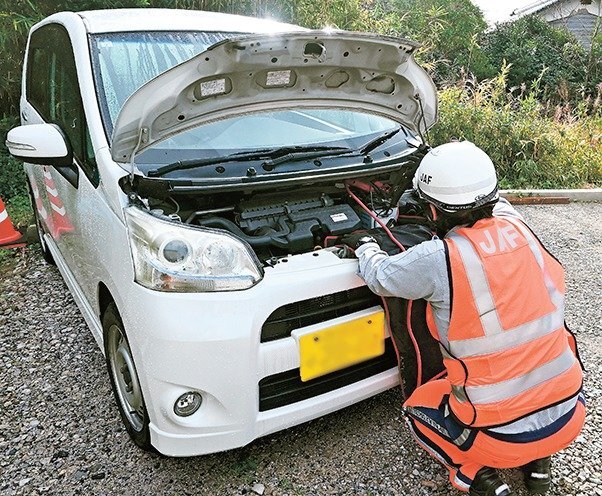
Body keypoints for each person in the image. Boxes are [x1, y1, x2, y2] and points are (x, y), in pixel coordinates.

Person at [341, 141, 585, 496]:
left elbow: (381, 275)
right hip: (570, 413)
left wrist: (364, 243)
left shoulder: (439, 258)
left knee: (416, 409)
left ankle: (477, 477)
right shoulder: (523, 230)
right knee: (532, 392)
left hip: (500, 434)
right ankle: (539, 468)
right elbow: (491, 204)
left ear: (433, 214)